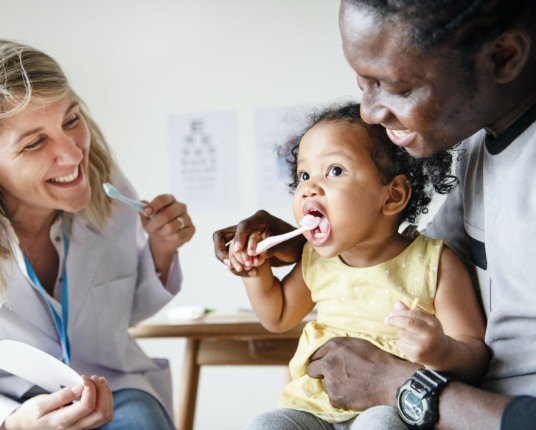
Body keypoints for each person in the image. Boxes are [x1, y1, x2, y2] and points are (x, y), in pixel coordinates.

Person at [213, 0, 536, 428]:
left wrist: (399, 383)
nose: (369, 112)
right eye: (363, 83)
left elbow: (434, 274)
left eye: (397, 87)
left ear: (503, 57)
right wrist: (293, 245)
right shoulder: (481, 147)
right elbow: (394, 248)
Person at [227, 102, 488, 429]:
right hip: (314, 409)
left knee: (379, 424)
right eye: (304, 175)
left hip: (392, 407)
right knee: (264, 424)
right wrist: (255, 273)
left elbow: (476, 356)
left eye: (334, 170)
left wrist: (441, 350)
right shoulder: (316, 260)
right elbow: (277, 315)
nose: (309, 188)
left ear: (392, 196)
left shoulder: (435, 263)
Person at [0, 40, 195, 429]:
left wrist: (161, 250)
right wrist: (15, 422)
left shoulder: (109, 192)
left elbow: (123, 311)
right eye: (36, 142)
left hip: (115, 388)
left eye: (71, 120)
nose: (73, 155)